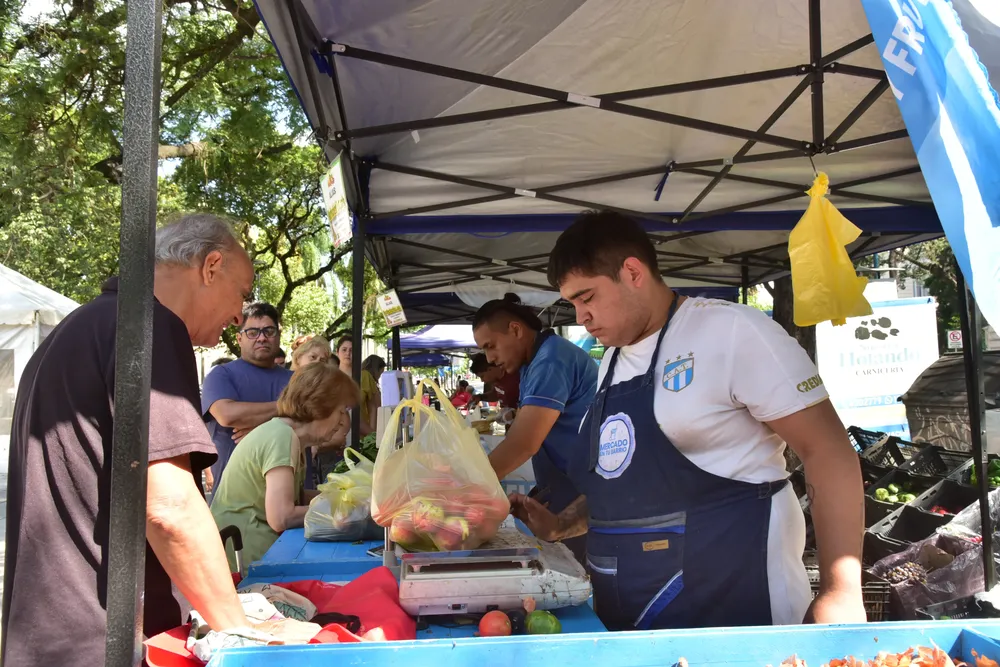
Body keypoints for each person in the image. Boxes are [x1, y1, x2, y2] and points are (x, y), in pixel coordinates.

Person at [511, 210, 865, 631]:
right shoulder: (610, 363)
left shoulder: (731, 331)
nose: (581, 317)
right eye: (572, 303)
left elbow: (828, 450)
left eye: (587, 297)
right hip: (633, 620)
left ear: (632, 272)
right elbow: (627, 480)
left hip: (733, 610)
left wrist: (840, 591)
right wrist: (561, 525)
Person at [2, 213, 254, 666]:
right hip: (106, 643)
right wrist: (242, 633)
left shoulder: (80, 327)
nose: (240, 316)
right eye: (243, 293)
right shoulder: (148, 328)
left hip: (52, 637)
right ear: (210, 266)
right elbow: (170, 508)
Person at [472, 293, 598, 563]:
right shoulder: (536, 361)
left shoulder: (551, 360)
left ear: (515, 330)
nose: (490, 358)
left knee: (579, 580)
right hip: (566, 483)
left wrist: (468, 486)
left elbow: (524, 442)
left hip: (583, 494)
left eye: (490, 346)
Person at [211, 363, 357, 572]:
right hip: (246, 561)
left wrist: (346, 497)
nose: (343, 420)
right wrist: (345, 512)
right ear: (320, 405)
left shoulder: (289, 437)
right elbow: (281, 517)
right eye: (341, 411)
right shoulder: (281, 436)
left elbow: (295, 497)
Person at [202, 302, 294, 490]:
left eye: (269, 331)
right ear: (239, 338)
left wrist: (261, 432)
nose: (261, 338)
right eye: (252, 332)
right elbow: (228, 415)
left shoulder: (297, 380)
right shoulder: (220, 374)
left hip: (290, 494)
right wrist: (289, 407)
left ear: (278, 335)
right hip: (233, 499)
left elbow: (316, 422)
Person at [360, 355, 387, 433]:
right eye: (380, 373)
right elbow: (374, 407)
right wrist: (372, 434)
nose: (379, 376)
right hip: (366, 429)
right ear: (376, 369)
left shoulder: (361, 375)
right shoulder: (366, 376)